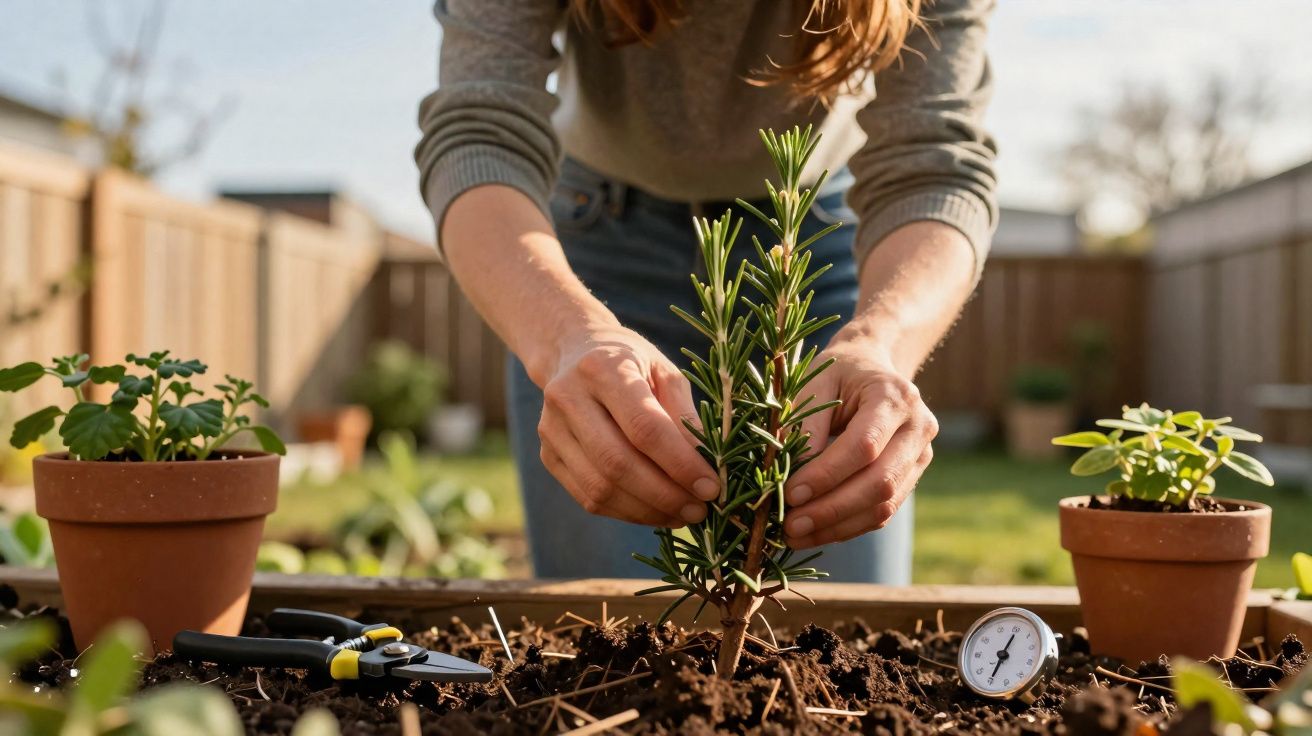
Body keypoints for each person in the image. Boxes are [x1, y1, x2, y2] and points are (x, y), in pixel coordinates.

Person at [415, 0, 997, 583]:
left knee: (840, 601)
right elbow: (479, 132)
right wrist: (567, 334)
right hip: (588, 244)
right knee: (596, 616)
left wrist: (881, 343)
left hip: (808, 239)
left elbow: (936, 163)